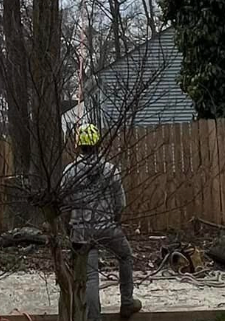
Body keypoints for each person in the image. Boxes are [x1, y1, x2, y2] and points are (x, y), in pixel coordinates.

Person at [62, 123, 143, 319]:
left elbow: (64, 205)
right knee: (125, 256)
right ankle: (127, 302)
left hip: (82, 232)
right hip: (107, 228)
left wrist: (69, 229)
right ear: (98, 144)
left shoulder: (69, 171)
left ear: (78, 145)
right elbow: (120, 202)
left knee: (91, 277)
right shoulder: (110, 170)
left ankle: (94, 318)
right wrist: (114, 221)